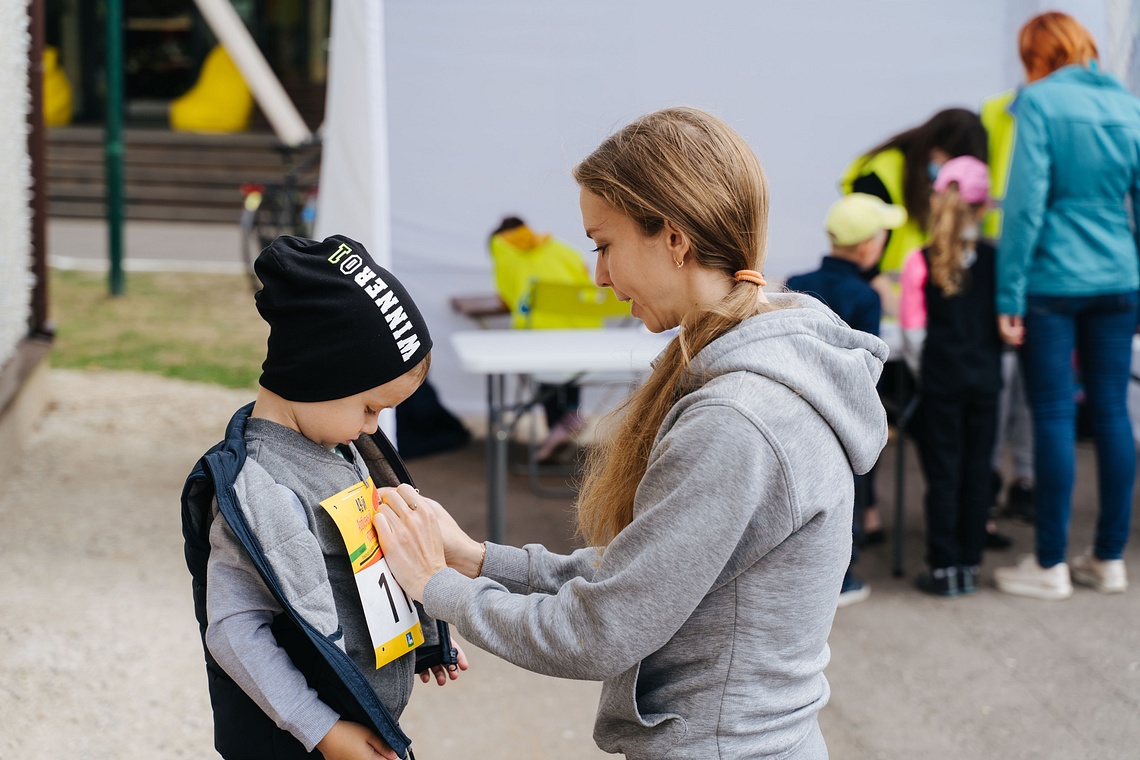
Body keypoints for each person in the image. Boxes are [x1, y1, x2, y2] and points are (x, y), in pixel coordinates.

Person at [372, 107, 889, 759]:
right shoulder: (771, 368)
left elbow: (600, 629)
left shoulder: (735, 420)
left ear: (672, 237)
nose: (598, 275)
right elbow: (645, 572)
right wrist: (475, 557)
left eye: (602, 244)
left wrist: (435, 587)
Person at [181, 234, 467, 760]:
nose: (372, 428)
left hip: (357, 716)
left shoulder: (334, 445)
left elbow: (364, 564)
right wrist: (322, 730)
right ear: (320, 376)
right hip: (303, 741)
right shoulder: (262, 488)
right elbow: (233, 629)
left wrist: (427, 639)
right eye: (370, 408)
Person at [993, 12, 1140, 600]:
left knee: (1053, 412)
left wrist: (1008, 293)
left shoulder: (1040, 103)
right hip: (1119, 278)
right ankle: (1108, 559)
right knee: (1111, 412)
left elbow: (1025, 204)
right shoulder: (1128, 104)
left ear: (1038, 55)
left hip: (1054, 280)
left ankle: (1050, 564)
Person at [841, 109, 990, 552]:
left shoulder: (947, 199)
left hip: (923, 332)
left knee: (942, 438)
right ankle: (869, 511)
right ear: (932, 147)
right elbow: (860, 250)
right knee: (867, 416)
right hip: (885, 318)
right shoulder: (882, 172)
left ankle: (964, 527)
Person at [787, 192, 907, 605]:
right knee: (848, 488)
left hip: (799, 407)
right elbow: (867, 366)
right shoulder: (865, 296)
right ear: (869, 246)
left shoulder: (798, 284)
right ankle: (842, 577)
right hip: (844, 411)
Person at [898, 156, 1004, 596]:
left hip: (941, 382)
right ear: (983, 210)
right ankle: (970, 563)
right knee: (978, 470)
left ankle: (944, 569)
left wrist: (930, 374)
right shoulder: (998, 260)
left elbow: (913, 335)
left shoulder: (919, 260)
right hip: (986, 381)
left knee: (944, 473)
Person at [488, 216, 598, 461]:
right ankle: (569, 415)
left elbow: (506, 295)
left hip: (540, 338)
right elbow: (586, 277)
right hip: (585, 334)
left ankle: (556, 428)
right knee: (569, 368)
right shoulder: (558, 247)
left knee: (545, 376)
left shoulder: (500, 245)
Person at [981, 85, 1037, 526]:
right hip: (999, 259)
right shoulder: (994, 111)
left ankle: (1025, 478)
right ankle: (991, 475)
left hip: (1035, 262)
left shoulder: (1050, 110)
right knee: (1002, 380)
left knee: (1033, 387)